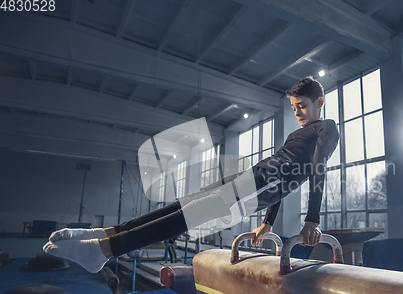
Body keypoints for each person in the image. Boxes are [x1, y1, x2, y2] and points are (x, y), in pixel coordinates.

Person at [43, 77, 339, 273]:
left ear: (320, 103)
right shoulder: (298, 134)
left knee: (184, 218)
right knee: (178, 206)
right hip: (246, 180)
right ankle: (105, 233)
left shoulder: (327, 128)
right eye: (294, 107)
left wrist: (312, 218)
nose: (298, 112)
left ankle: (105, 251)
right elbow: (286, 178)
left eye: (302, 106)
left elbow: (316, 168)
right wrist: (267, 223)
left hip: (250, 193)